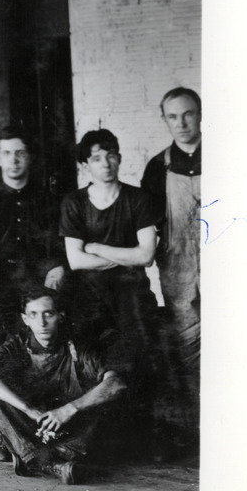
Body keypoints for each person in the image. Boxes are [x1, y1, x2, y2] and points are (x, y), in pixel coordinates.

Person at [57, 129, 163, 453]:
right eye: (97, 158)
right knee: (93, 362)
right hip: (89, 297)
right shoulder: (74, 202)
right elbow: (76, 260)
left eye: (111, 155)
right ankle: (95, 437)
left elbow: (146, 256)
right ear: (85, 165)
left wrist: (98, 247)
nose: (105, 163)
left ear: (119, 157)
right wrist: (126, 256)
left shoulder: (138, 199)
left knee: (140, 357)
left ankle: (142, 438)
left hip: (132, 295)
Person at [0, 127, 67, 439]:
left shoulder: (47, 199)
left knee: (46, 339)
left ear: (29, 157)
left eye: (20, 153)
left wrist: (53, 282)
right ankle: (1, 429)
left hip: (38, 290)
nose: (14, 160)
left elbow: (59, 256)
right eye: (7, 153)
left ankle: (44, 420)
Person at [0, 290, 125, 484]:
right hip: (31, 419)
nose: (42, 323)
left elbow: (116, 383)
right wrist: (28, 410)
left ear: (60, 316)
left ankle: (25, 451)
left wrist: (69, 409)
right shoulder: (18, 344)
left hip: (65, 421)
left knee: (103, 394)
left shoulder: (78, 346)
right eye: (34, 315)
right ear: (25, 319)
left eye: (48, 314)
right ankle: (43, 461)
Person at [139, 87, 201, 445]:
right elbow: (147, 227)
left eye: (188, 114)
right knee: (187, 345)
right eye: (173, 116)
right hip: (179, 267)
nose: (181, 123)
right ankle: (198, 430)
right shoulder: (157, 168)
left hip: (226, 265)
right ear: (164, 119)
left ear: (200, 114)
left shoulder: (230, 154)